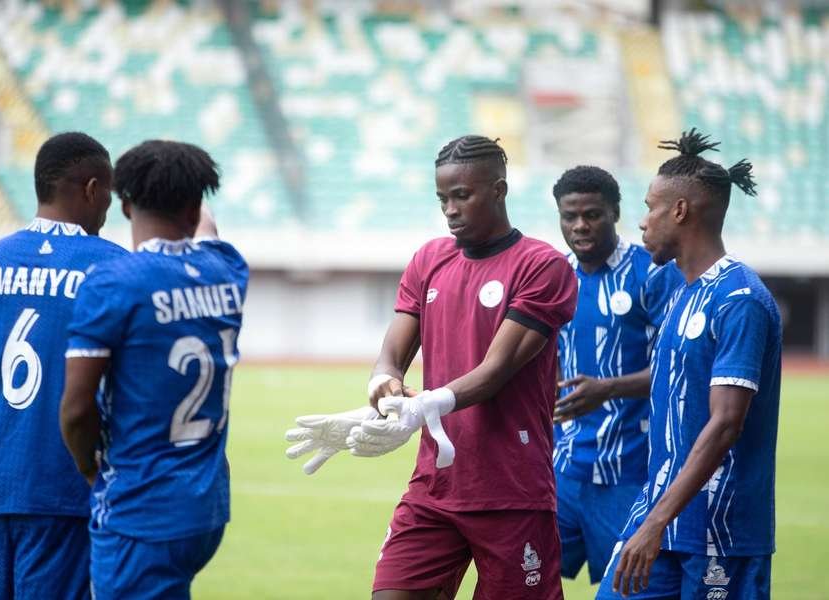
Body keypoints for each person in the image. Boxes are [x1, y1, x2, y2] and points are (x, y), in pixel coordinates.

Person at [287, 135, 577, 599]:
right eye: (443, 198)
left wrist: (422, 407)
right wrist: (383, 390)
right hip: (435, 485)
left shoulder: (542, 266)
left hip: (511, 490)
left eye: (462, 195)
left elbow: (496, 369)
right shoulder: (430, 259)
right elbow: (392, 354)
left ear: (499, 191)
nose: (450, 209)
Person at [60, 140, 248, 599]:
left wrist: (89, 469)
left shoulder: (114, 282)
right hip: (204, 509)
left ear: (123, 204)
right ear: (193, 204)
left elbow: (77, 408)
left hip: (140, 508)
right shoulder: (227, 270)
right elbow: (206, 228)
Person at [596, 129, 780, 599]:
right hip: (660, 514)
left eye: (649, 208)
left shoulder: (740, 300)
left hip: (720, 531)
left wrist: (657, 521)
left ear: (679, 211)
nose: (641, 223)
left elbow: (725, 425)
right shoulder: (680, 292)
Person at [0, 131, 126, 599]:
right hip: (64, 485)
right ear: (92, 188)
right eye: (109, 196)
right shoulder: (112, 267)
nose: (109, 210)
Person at [551, 166, 683, 586]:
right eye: (570, 216)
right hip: (562, 469)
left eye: (592, 214)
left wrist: (608, 389)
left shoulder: (654, 273)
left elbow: (678, 369)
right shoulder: (553, 276)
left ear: (615, 213)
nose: (580, 226)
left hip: (630, 472)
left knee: (629, 589)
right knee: (522, 579)